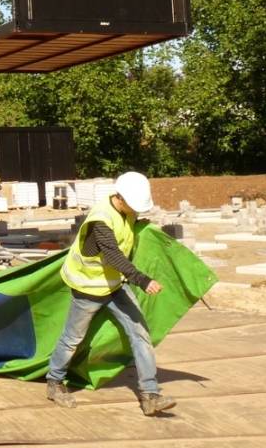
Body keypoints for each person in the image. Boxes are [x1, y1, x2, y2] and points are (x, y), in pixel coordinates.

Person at [45, 171, 177, 417]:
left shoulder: (128, 210)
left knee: (140, 334)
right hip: (88, 288)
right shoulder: (101, 220)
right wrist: (143, 280)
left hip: (115, 284)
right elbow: (113, 256)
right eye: (133, 206)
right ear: (120, 197)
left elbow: (128, 232)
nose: (136, 210)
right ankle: (54, 382)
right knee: (73, 338)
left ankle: (150, 395)